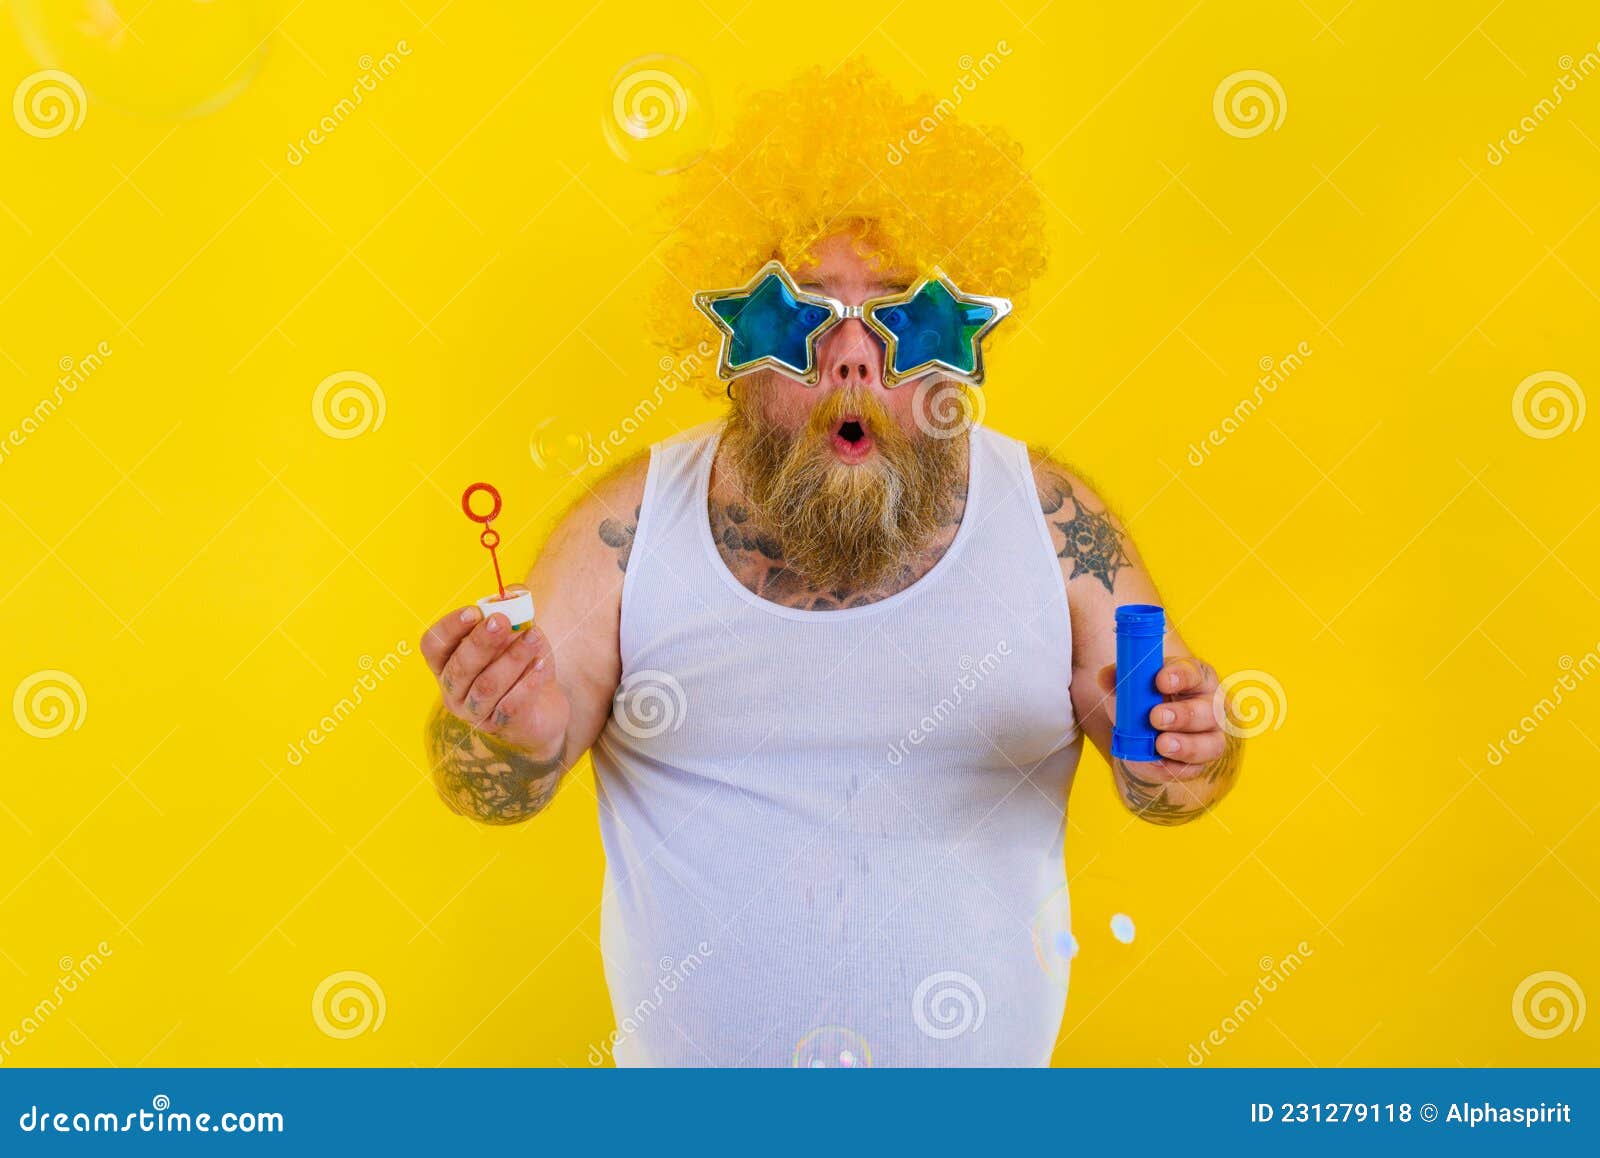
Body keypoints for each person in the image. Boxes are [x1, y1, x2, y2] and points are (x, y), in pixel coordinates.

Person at [419, 63, 1242, 1066]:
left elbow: (1173, 785)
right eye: (798, 314)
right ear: (729, 340)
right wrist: (503, 735)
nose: (850, 356)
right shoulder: (627, 530)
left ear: (959, 339)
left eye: (901, 315)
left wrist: (1182, 746)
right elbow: (496, 784)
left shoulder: (1053, 523)